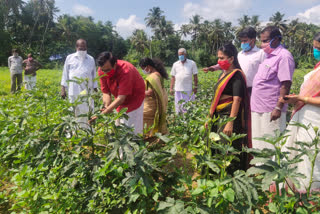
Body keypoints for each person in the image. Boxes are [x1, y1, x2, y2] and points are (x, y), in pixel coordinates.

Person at [279, 32, 320, 192]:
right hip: (305, 115)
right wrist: (298, 98)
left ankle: (311, 194)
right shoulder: (317, 67)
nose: (315, 51)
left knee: (312, 156)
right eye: (314, 47)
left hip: (316, 119)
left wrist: (302, 98)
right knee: (299, 154)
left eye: (318, 48)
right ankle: (296, 193)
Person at [251, 26, 295, 150]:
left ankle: (270, 169)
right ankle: (260, 169)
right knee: (259, 144)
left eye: (265, 41)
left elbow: (286, 83)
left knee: (271, 145)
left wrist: (278, 107)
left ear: (276, 40)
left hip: (270, 109)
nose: (262, 44)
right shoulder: (268, 56)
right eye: (261, 40)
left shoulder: (284, 56)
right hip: (257, 107)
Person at [208, 43, 251, 173]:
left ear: (231, 59)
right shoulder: (223, 73)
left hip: (228, 116)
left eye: (222, 58)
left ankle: (229, 176)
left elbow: (237, 99)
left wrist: (230, 123)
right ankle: (217, 174)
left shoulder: (236, 75)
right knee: (217, 145)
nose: (219, 61)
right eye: (218, 58)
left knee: (227, 148)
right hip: (218, 115)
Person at [90, 52, 145, 135]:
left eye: (108, 70)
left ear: (115, 64)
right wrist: (106, 106)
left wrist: (103, 114)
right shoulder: (102, 70)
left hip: (134, 99)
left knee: (132, 129)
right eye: (103, 70)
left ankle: (135, 145)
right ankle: (122, 147)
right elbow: (106, 92)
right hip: (119, 99)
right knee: (119, 127)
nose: (105, 73)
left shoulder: (126, 70)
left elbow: (121, 98)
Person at [204, 27, 265, 97]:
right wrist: (213, 68)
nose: (243, 43)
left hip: (253, 90)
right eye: (241, 41)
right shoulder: (240, 54)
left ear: (253, 40)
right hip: (238, 88)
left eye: (245, 41)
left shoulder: (261, 54)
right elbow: (228, 63)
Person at [61, 39, 97, 129]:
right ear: (76, 47)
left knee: (87, 109)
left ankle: (87, 129)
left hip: (87, 90)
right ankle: (73, 131)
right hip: (73, 89)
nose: (83, 50)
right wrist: (63, 89)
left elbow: (94, 75)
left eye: (84, 48)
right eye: (81, 48)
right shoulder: (70, 58)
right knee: (74, 109)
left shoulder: (91, 59)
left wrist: (95, 89)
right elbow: (65, 74)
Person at [139, 57, 168, 137]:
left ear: (148, 66)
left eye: (143, 68)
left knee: (146, 118)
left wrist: (137, 93)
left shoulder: (152, 77)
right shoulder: (158, 74)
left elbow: (150, 92)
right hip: (157, 102)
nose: (143, 71)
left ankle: (150, 138)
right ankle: (155, 137)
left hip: (152, 104)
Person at [170, 48, 198, 114]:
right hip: (178, 89)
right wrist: (171, 88)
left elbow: (195, 76)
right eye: (179, 55)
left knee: (188, 108)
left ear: (185, 54)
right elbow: (173, 77)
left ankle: (187, 122)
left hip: (188, 90)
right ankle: (179, 121)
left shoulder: (192, 63)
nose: (180, 56)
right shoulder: (175, 64)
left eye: (182, 55)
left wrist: (195, 87)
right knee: (178, 107)